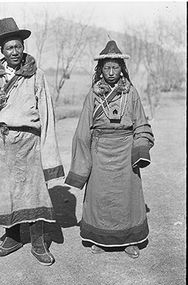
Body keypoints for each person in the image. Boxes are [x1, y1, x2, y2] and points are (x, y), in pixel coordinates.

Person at [0, 17, 64, 266]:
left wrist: (50, 156)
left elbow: (46, 115)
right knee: (5, 194)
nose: (14, 51)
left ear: (24, 47)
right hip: (2, 145)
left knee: (33, 193)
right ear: (2, 51)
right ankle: (12, 238)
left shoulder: (37, 75)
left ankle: (38, 243)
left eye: (18, 46)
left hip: (29, 145)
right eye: (9, 48)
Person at [65, 40, 154, 258]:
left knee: (126, 197)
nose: (111, 72)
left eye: (115, 67)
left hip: (125, 152)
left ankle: (130, 240)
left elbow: (141, 124)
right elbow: (83, 130)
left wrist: (139, 149)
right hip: (100, 151)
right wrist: (81, 166)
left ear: (122, 69)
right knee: (100, 196)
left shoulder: (131, 93)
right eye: (107, 68)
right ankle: (100, 239)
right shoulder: (93, 94)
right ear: (101, 70)